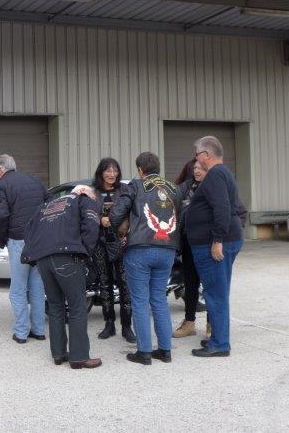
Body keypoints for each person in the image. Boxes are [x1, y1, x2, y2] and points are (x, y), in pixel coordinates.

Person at [109, 152, 181, 366]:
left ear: (140, 170)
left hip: (139, 249)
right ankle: (165, 351)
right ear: (158, 168)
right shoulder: (174, 189)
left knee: (140, 301)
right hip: (167, 249)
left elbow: (115, 215)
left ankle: (144, 352)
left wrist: (120, 229)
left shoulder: (135, 186)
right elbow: (181, 218)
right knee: (159, 299)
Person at [22, 185, 102, 369]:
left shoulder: (47, 205)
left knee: (56, 306)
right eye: (93, 198)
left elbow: (29, 230)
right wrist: (85, 252)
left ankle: (58, 354)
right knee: (77, 306)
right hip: (67, 257)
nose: (94, 201)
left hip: (43, 260)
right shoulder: (83, 200)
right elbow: (92, 227)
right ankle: (79, 357)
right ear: (84, 192)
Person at [187, 136, 245, 358]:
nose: (196, 159)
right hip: (223, 239)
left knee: (215, 294)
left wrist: (217, 240)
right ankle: (218, 338)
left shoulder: (215, 174)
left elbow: (222, 207)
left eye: (197, 154)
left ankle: (220, 344)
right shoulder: (222, 173)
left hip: (216, 243)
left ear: (206, 155)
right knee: (217, 292)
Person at [0, 154, 48, 344]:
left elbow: (1, 214)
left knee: (17, 288)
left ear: (0, 169)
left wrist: (1, 238)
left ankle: (21, 332)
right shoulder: (35, 180)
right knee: (37, 287)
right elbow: (48, 206)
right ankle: (38, 330)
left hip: (18, 240)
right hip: (39, 241)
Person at [90, 157, 135, 343]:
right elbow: (86, 214)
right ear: (101, 173)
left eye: (115, 170)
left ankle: (127, 326)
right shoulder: (93, 192)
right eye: (108, 170)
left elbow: (133, 212)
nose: (112, 174)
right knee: (104, 284)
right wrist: (99, 219)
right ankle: (109, 324)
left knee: (125, 285)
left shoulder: (125, 190)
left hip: (122, 243)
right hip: (100, 244)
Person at [172, 159, 208, 339]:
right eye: (195, 168)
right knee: (190, 283)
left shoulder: (213, 187)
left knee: (209, 285)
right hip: (187, 242)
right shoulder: (184, 188)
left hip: (207, 243)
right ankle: (189, 322)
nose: (197, 171)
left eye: (201, 168)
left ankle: (212, 324)